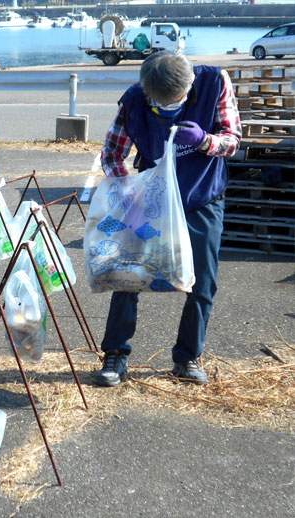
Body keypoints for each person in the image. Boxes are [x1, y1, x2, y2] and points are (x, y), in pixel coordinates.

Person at [96, 51, 242, 386]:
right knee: (127, 274)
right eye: (161, 104)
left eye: (175, 102)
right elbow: (112, 154)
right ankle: (115, 353)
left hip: (202, 197)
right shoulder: (134, 100)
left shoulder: (215, 82)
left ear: (189, 86)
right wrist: (129, 197)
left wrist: (206, 141)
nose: (168, 109)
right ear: (147, 93)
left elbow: (233, 140)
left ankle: (188, 356)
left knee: (202, 282)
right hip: (152, 199)